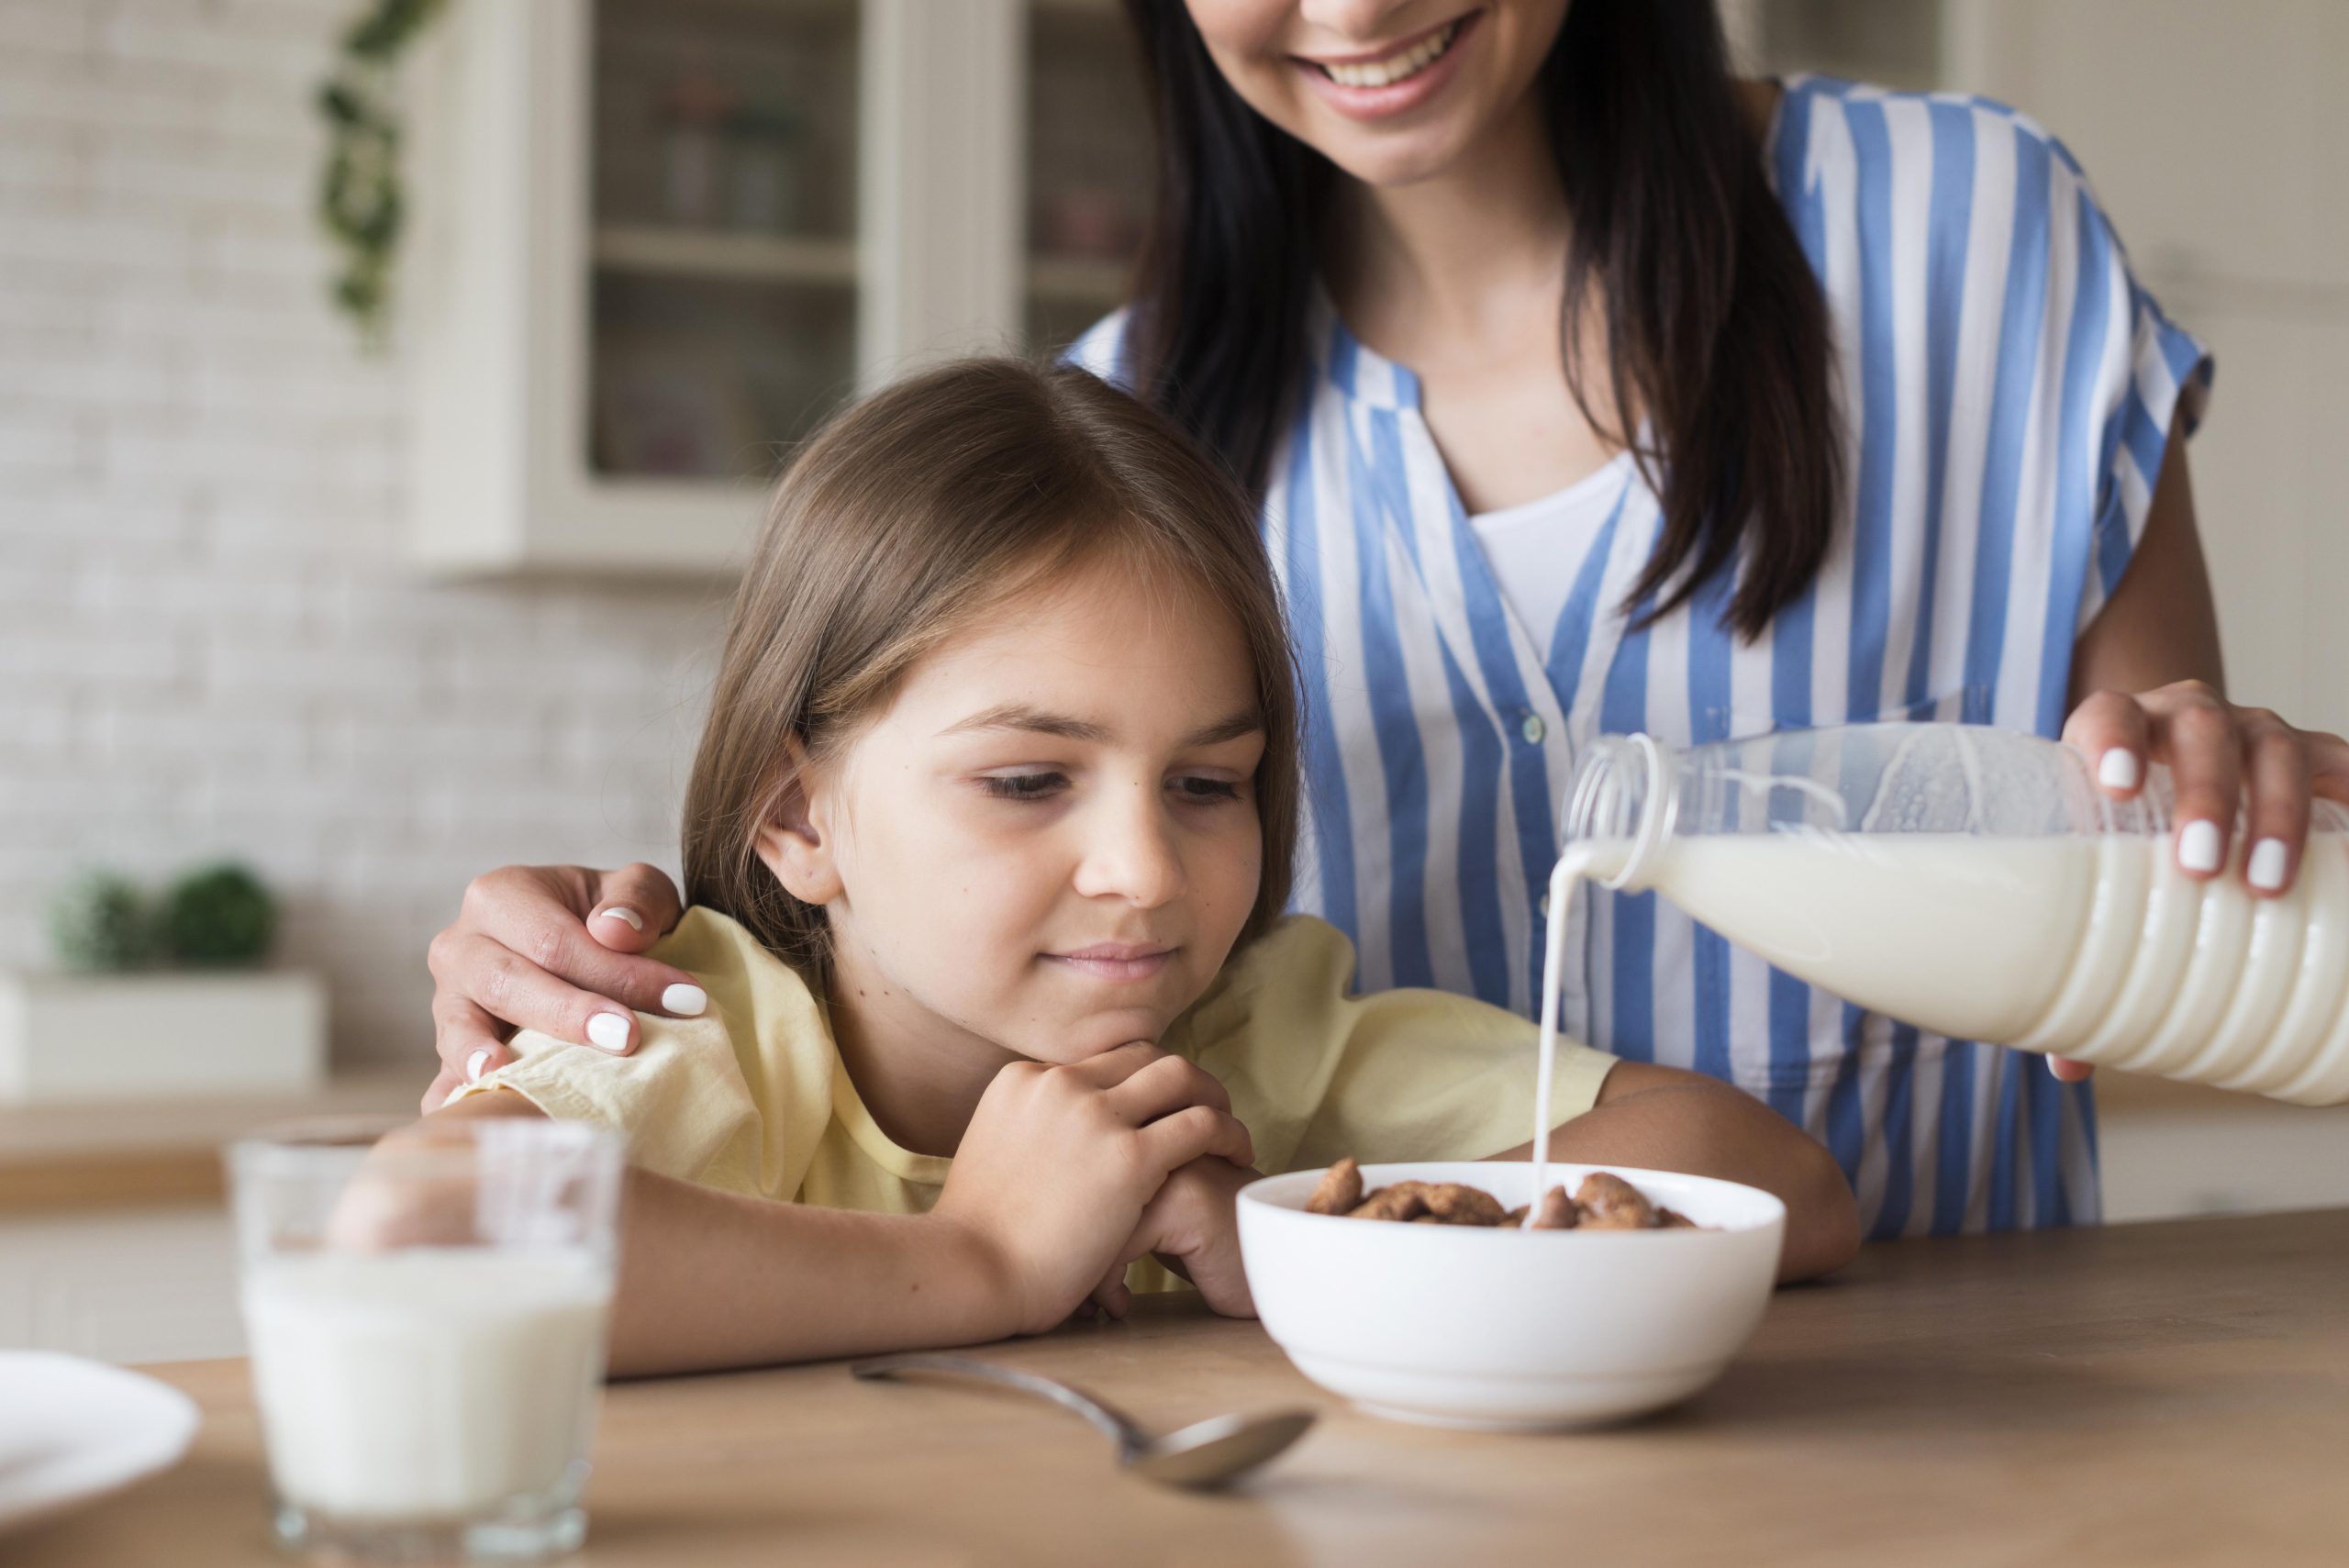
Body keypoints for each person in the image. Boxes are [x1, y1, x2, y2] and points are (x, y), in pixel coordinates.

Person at [419, 2, 2349, 1239]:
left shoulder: (1970, 238)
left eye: (1208, 785)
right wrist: (571, 961)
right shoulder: (1137, 426)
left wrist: (2213, 800)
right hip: (1381, 1462)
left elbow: (2150, 872)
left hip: (1966, 1390)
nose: (1347, 7)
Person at [393, 360, 1857, 1376]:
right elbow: (418, 1231)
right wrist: (983, 1260)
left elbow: (1779, 1180)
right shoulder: (717, 1034)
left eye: (1209, 783)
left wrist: (1299, 1240)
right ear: (799, 818)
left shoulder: (1260, 1036)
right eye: (1028, 780)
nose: (1144, 868)